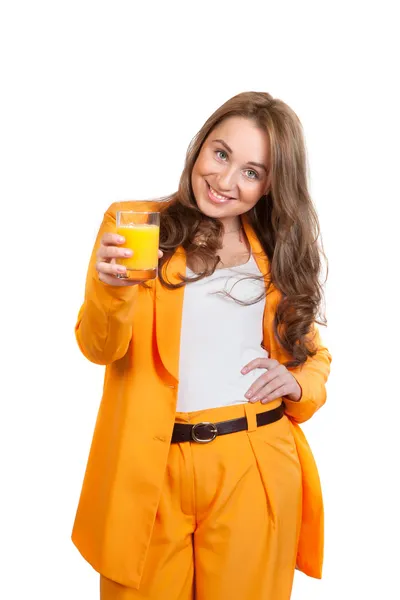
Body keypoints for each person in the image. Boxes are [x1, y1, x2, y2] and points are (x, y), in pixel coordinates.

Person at [71, 91, 332, 600]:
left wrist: (299, 383)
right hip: (150, 466)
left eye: (252, 172)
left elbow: (313, 354)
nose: (226, 180)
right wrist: (111, 289)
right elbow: (99, 346)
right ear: (200, 147)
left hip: (254, 461)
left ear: (271, 185)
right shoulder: (136, 225)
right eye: (221, 153)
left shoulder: (274, 250)